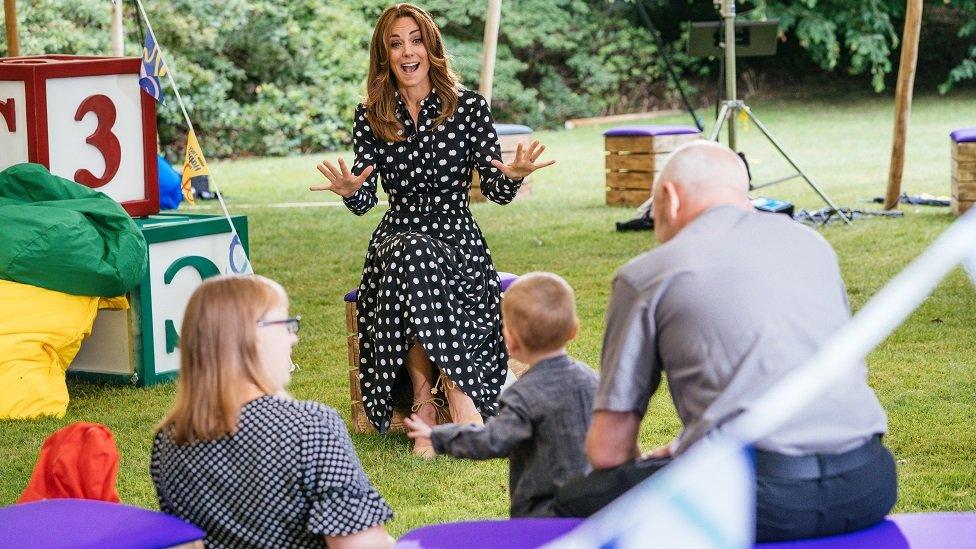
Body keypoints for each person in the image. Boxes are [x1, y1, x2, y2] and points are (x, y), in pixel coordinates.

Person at [554, 141, 897, 542]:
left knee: (575, 499)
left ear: (669, 198)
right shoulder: (813, 246)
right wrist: (692, 444)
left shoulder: (648, 274)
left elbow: (609, 451)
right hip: (868, 483)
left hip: (758, 500)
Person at [310, 3, 555, 456]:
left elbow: (496, 190)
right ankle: (434, 401)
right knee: (410, 252)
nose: (407, 52)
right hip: (397, 235)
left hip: (457, 236)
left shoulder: (469, 108)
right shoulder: (371, 115)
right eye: (396, 43)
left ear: (431, 48)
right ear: (384, 55)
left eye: (415, 41)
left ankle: (448, 397)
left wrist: (515, 176)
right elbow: (365, 201)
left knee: (418, 256)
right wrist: (349, 190)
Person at [150, 275, 394, 548]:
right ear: (254, 337)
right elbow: (360, 544)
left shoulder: (169, 439)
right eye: (286, 324)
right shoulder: (310, 426)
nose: (293, 338)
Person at [404, 272, 598, 517]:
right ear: (574, 330)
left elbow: (492, 440)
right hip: (591, 505)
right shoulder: (593, 380)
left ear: (510, 341)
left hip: (540, 512)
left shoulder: (522, 395)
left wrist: (439, 436)